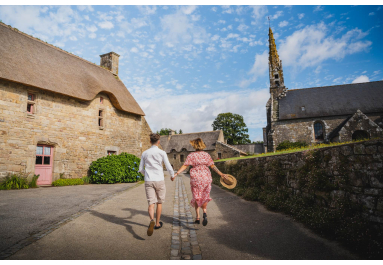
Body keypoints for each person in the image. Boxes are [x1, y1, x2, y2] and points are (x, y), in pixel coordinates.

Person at [173, 138, 228, 226]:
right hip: (206, 177)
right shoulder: (206, 155)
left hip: (196, 178)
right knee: (205, 195)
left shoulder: (191, 155)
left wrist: (177, 173)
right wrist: (221, 174)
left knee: (196, 196)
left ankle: (197, 217)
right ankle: (205, 212)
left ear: (194, 146)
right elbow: (213, 166)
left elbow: (185, 166)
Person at [139, 133, 175, 236]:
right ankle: (158, 223)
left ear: (150, 142)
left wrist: (146, 175)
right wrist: (172, 175)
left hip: (149, 181)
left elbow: (141, 169)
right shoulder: (162, 152)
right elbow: (168, 166)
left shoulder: (145, 153)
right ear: (158, 142)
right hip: (159, 180)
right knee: (159, 202)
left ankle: (151, 220)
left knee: (151, 203)